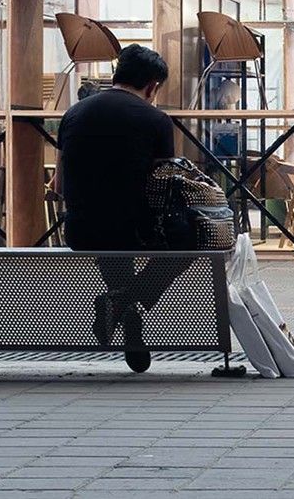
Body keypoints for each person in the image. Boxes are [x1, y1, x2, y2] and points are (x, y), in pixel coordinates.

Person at [56, 43, 193, 372]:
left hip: (80, 231)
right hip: (134, 231)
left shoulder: (74, 114)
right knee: (190, 242)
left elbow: (59, 185)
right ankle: (123, 301)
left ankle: (125, 310)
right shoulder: (156, 120)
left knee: (109, 231)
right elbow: (162, 188)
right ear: (152, 87)